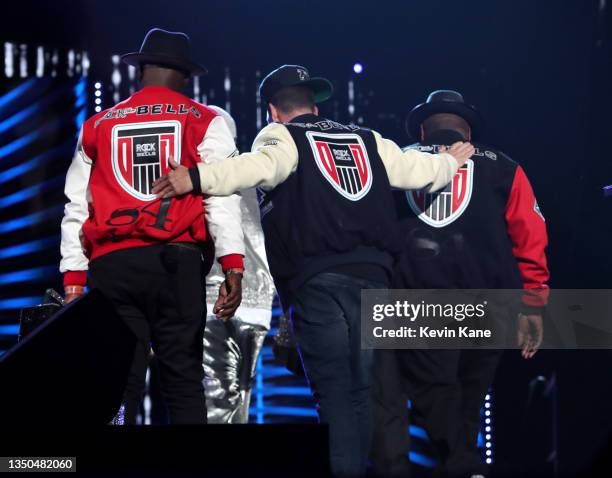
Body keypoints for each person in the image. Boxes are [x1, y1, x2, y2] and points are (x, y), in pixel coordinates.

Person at [152, 65, 475, 476]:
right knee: (362, 395)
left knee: (337, 397)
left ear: (272, 109)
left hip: (319, 284)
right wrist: (449, 163)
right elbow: (418, 172)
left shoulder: (280, 136)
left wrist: (194, 176)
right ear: (314, 101)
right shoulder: (367, 138)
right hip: (374, 283)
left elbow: (252, 168)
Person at [59, 28, 245, 424]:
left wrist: (74, 280)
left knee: (116, 385)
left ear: (141, 70)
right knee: (182, 380)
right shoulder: (206, 120)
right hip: (175, 264)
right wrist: (233, 264)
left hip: (113, 266)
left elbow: (77, 205)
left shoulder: (97, 125)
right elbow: (221, 195)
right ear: (187, 77)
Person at [370, 90, 549, 477]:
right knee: (466, 406)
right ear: (469, 131)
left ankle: (466, 468)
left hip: (418, 304)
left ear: (421, 127)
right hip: (492, 306)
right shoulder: (505, 166)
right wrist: (533, 304)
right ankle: (466, 468)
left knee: (438, 399)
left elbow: (368, 230)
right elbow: (530, 235)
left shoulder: (396, 163)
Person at [202, 105, 274, 424]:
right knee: (240, 399)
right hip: (259, 305)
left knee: (218, 402)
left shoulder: (204, 174)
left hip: (216, 298)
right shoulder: (258, 173)